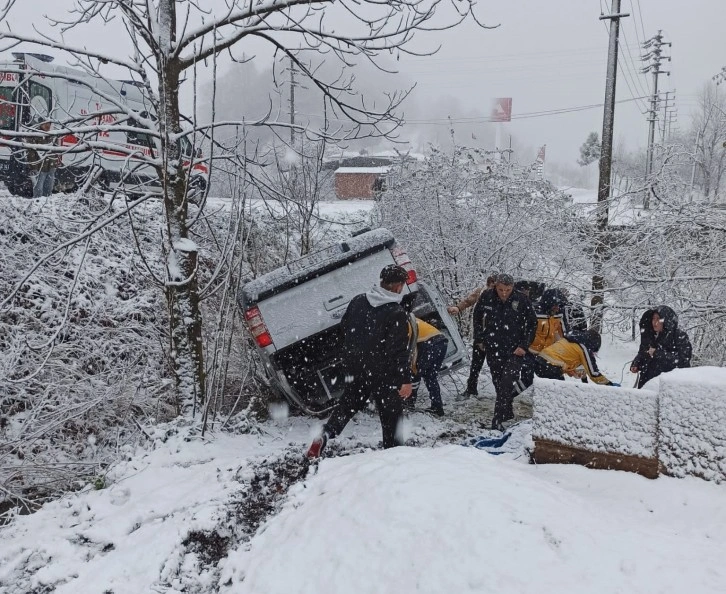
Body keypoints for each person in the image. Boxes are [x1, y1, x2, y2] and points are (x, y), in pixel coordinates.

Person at [307, 265, 414, 458]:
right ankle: (395, 457)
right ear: (398, 286)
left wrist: (356, 355)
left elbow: (345, 328)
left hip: (356, 366)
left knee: (349, 403)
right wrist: (405, 379)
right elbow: (398, 351)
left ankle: (326, 433)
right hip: (384, 372)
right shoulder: (396, 312)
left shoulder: (358, 300)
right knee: (391, 417)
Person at [473, 273, 536, 431]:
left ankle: (497, 420)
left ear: (512, 287)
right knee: (498, 383)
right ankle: (506, 414)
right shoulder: (487, 296)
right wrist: (480, 338)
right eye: (500, 289)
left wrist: (524, 345)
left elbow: (532, 323)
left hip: (515, 349)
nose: (503, 293)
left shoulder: (521, 299)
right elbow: (477, 316)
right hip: (493, 346)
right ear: (495, 286)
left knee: (507, 383)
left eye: (507, 290)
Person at [447, 274, 497, 399]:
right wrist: (457, 308)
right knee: (475, 365)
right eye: (491, 285)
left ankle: (502, 392)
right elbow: (469, 300)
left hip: (496, 337)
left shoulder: (503, 296)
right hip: (481, 334)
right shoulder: (481, 293)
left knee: (496, 367)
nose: (493, 288)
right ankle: (471, 389)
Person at [519, 330, 620, 388]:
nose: (593, 354)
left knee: (554, 389)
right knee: (560, 390)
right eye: (594, 351)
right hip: (550, 366)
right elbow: (593, 373)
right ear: (594, 345)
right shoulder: (584, 348)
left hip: (541, 361)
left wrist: (585, 386)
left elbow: (583, 371)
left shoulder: (573, 340)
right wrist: (609, 385)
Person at [516, 289, 566, 395]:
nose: (557, 308)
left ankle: (555, 401)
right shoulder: (534, 313)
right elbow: (522, 330)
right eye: (555, 305)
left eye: (559, 305)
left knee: (558, 379)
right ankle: (507, 397)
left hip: (546, 355)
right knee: (527, 380)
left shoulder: (558, 315)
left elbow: (562, 335)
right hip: (529, 352)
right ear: (548, 303)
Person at [630, 306, 692, 389]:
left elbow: (683, 361)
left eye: (658, 319)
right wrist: (636, 363)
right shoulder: (650, 336)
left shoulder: (678, 336)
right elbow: (643, 352)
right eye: (653, 319)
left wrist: (657, 353)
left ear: (667, 321)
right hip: (646, 384)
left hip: (668, 386)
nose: (654, 322)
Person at [409, 318, 449, 416]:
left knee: (416, 373)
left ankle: (409, 403)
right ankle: (437, 407)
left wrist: (414, 368)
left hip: (431, 344)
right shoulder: (410, 319)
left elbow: (413, 351)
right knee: (430, 376)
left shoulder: (402, 327)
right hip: (441, 341)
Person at [26, 119, 58, 198]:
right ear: (40, 124)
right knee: (38, 191)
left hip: (51, 168)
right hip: (39, 168)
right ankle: (37, 206)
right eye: (45, 123)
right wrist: (34, 168)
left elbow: (56, 150)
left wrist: (55, 164)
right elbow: (30, 153)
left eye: (49, 123)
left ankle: (46, 208)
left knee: (48, 191)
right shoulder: (35, 135)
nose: (47, 125)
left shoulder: (52, 135)